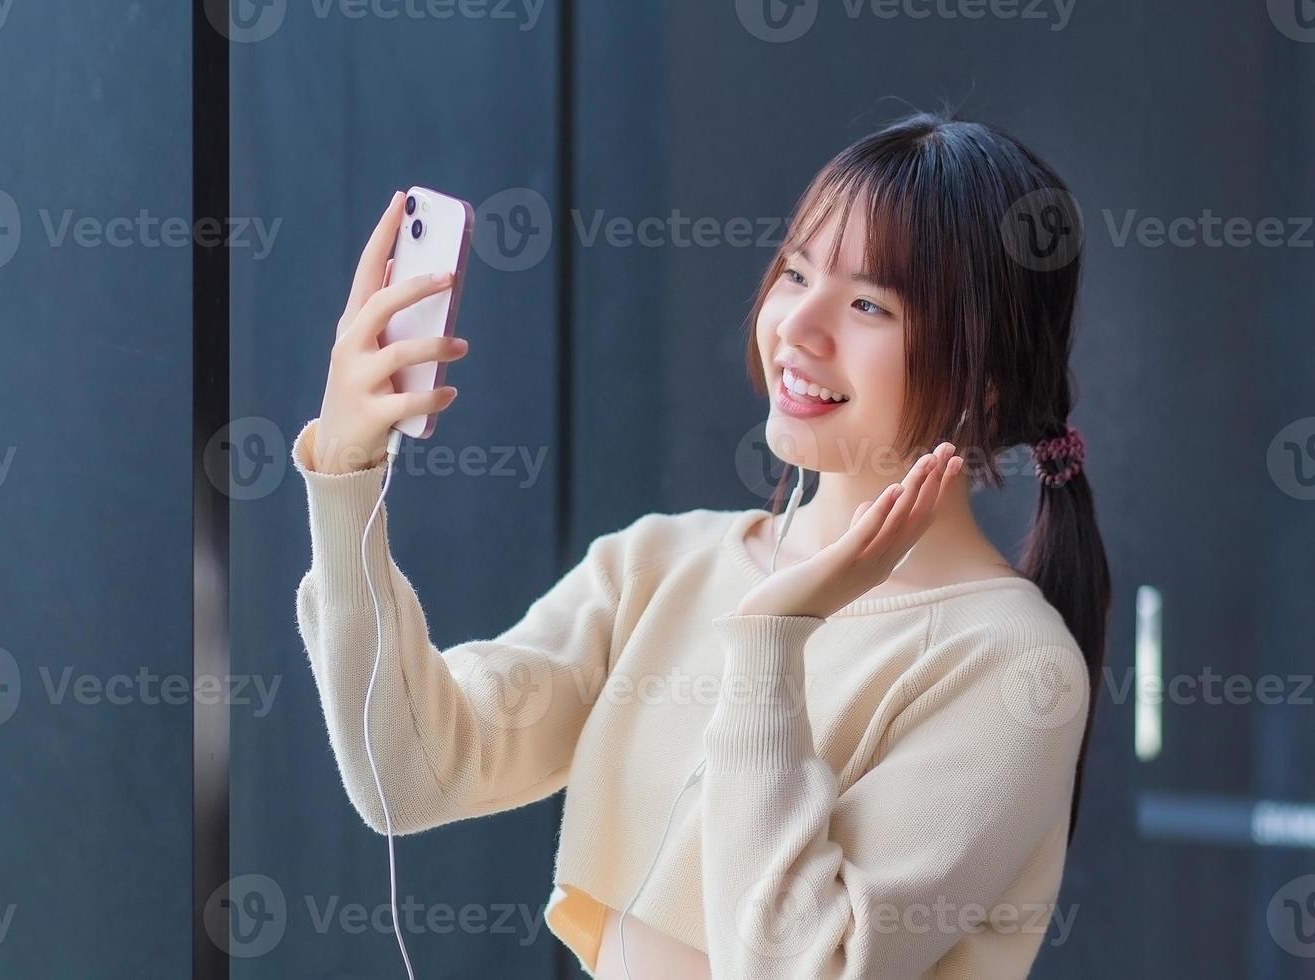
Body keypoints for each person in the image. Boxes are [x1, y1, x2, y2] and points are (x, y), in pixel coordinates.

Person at [291, 109, 1111, 979]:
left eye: (869, 302)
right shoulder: (659, 566)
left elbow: (803, 965)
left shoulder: (1014, 665)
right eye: (796, 272)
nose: (798, 325)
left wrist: (773, 640)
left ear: (985, 383)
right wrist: (346, 476)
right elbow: (410, 770)